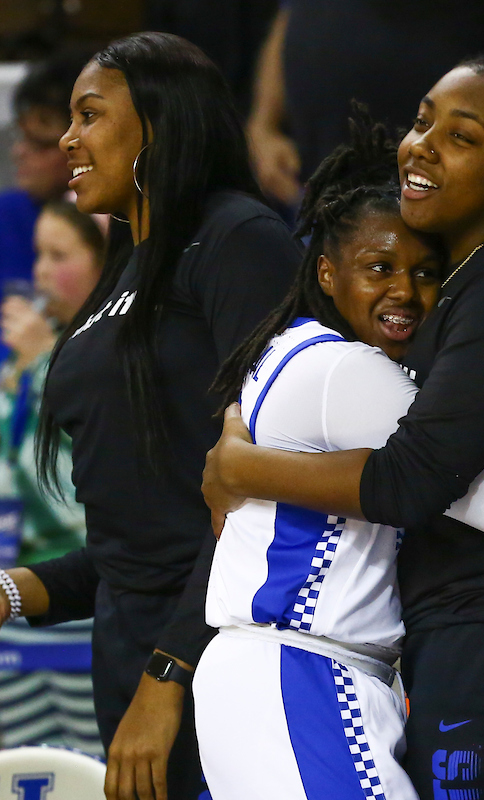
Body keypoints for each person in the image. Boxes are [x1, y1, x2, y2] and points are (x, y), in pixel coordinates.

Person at [203, 53, 484, 799]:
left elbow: (419, 481)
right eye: (422, 122)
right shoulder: (474, 275)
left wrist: (241, 467)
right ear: (327, 272)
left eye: (462, 136)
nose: (422, 147)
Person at [0, 32, 300, 800]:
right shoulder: (127, 265)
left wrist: (171, 672)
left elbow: (268, 490)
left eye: (90, 115)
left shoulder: (237, 238)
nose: (67, 140)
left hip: (218, 657)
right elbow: (133, 545)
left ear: (159, 125)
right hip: (127, 660)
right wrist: (12, 591)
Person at [248, 0, 484, 206]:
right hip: (317, 188)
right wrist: (264, 125)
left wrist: (479, 131)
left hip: (437, 200)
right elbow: (292, 15)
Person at [0, 202, 103, 565]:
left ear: (106, 264)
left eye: (58, 256)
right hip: (22, 551)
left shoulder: (115, 347)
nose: (40, 270)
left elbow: (100, 435)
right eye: (39, 253)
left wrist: (45, 358)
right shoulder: (43, 335)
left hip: (79, 555)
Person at [0, 48, 95, 291]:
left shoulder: (114, 226)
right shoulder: (8, 214)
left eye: (40, 143)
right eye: (21, 136)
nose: (19, 151)